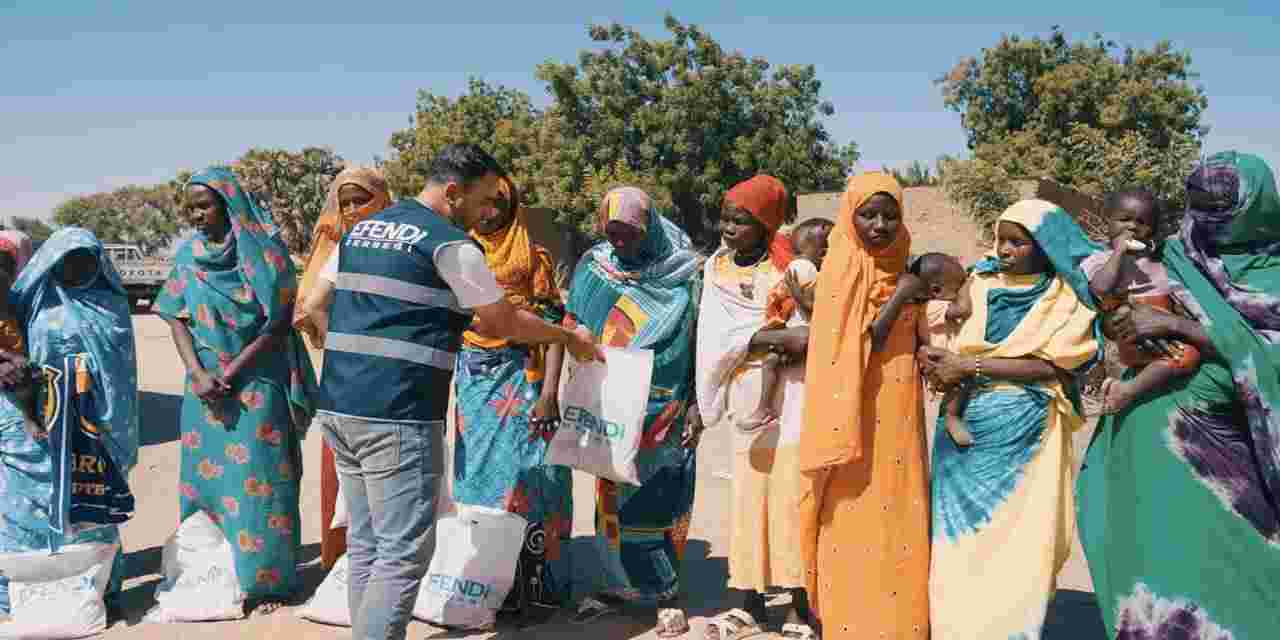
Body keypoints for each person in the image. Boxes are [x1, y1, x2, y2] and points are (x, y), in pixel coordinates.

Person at [300, 144, 601, 640]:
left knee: (369, 542)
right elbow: (502, 322)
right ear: (454, 192)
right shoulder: (449, 244)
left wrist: (355, 357)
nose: (488, 212)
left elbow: (313, 303)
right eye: (484, 200)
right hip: (397, 411)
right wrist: (568, 337)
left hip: (339, 405)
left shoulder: (364, 231)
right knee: (401, 553)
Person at [1078, 152, 1280, 637]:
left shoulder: (1271, 274)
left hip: (1228, 450)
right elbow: (1108, 304)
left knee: (1238, 559)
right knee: (1151, 558)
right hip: (1142, 434)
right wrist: (1120, 324)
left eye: (1219, 209)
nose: (1204, 220)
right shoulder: (1171, 255)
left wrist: (1175, 325)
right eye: (1196, 205)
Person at [919, 199, 1100, 639]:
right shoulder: (977, 285)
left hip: (1028, 440)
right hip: (962, 437)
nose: (1005, 250)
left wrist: (971, 368)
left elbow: (1059, 367)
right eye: (1001, 240)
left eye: (1017, 242)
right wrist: (937, 358)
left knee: (1021, 541)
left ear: (1045, 246)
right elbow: (951, 341)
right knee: (957, 540)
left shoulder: (1067, 298)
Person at [154, 167, 319, 616]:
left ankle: (266, 583)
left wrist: (233, 372)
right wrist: (197, 373)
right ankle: (215, 572)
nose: (196, 215)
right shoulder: (188, 257)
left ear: (228, 206)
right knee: (206, 483)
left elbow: (279, 322)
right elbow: (172, 313)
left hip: (257, 384)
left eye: (204, 206)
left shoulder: (266, 257)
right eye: (191, 208)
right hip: (205, 389)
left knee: (262, 482)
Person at [796, 172, 931, 640]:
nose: (879, 225)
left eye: (889, 215)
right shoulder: (843, 267)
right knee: (851, 513)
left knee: (899, 507)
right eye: (868, 214)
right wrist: (903, 294)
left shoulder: (909, 266)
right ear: (849, 216)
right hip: (850, 415)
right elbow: (859, 341)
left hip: (899, 410)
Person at [565, 186, 702, 638]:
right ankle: (618, 587)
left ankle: (665, 594)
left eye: (629, 234)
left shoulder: (683, 271)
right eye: (612, 233)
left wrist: (698, 403)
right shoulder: (595, 267)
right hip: (613, 400)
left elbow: (703, 339)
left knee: (657, 496)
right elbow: (573, 326)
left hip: (666, 406)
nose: (619, 243)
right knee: (610, 497)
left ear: (650, 227)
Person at [695, 175, 818, 640]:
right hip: (746, 392)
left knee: (791, 495)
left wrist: (778, 341)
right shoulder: (715, 269)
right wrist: (767, 337)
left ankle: (797, 606)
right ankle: (748, 601)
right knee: (747, 497)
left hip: (792, 391)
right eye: (725, 218)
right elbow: (714, 334)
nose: (728, 228)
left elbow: (810, 335)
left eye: (740, 221)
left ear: (766, 225)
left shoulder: (796, 270)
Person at [449, 174, 573, 621]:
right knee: (481, 482)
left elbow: (557, 327)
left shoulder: (532, 256)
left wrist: (550, 394)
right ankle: (488, 587)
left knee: (534, 480)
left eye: (502, 201)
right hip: (474, 384)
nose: (491, 210)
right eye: (485, 201)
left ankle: (536, 588)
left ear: (514, 203)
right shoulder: (456, 253)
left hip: (526, 379)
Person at [0, 228, 139, 619]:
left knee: (91, 504)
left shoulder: (111, 305)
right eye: (66, 262)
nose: (76, 269)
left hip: (94, 422)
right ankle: (23, 592)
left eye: (85, 261)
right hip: (37, 419)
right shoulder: (30, 300)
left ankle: (100, 588)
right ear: (50, 263)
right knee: (29, 505)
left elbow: (122, 376)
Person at [293, 166, 393, 571]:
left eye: (361, 200)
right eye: (345, 202)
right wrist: (345, 344)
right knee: (354, 472)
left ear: (383, 199)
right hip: (352, 372)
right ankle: (347, 565)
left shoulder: (398, 242)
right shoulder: (338, 248)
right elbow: (309, 307)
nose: (352, 210)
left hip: (387, 372)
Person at [1081, 189, 1200, 415]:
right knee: (1184, 356)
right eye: (1124, 219)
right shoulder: (1099, 260)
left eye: (1142, 222)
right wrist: (1117, 253)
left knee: (1188, 355)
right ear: (1108, 221)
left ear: (1152, 231)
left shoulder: (1159, 262)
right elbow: (1100, 287)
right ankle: (1127, 391)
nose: (1132, 227)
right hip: (1133, 337)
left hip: (1164, 336)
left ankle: (1132, 387)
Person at [738, 216, 832, 433]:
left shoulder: (806, 271)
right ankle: (765, 409)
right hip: (799, 336)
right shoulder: (806, 269)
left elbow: (816, 310)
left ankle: (764, 409)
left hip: (806, 336)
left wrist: (797, 296)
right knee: (772, 361)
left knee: (772, 362)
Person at [908, 253, 975, 446]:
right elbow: (964, 309)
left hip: (943, 360)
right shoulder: (931, 307)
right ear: (936, 290)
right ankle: (951, 418)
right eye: (958, 286)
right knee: (961, 382)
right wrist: (968, 285)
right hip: (939, 362)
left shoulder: (933, 304)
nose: (961, 290)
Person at [0, 231, 39, 433]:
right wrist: (9, 358)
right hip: (8, 358)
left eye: (7, 263)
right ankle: (29, 416)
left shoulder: (25, 297)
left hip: (17, 358)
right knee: (22, 381)